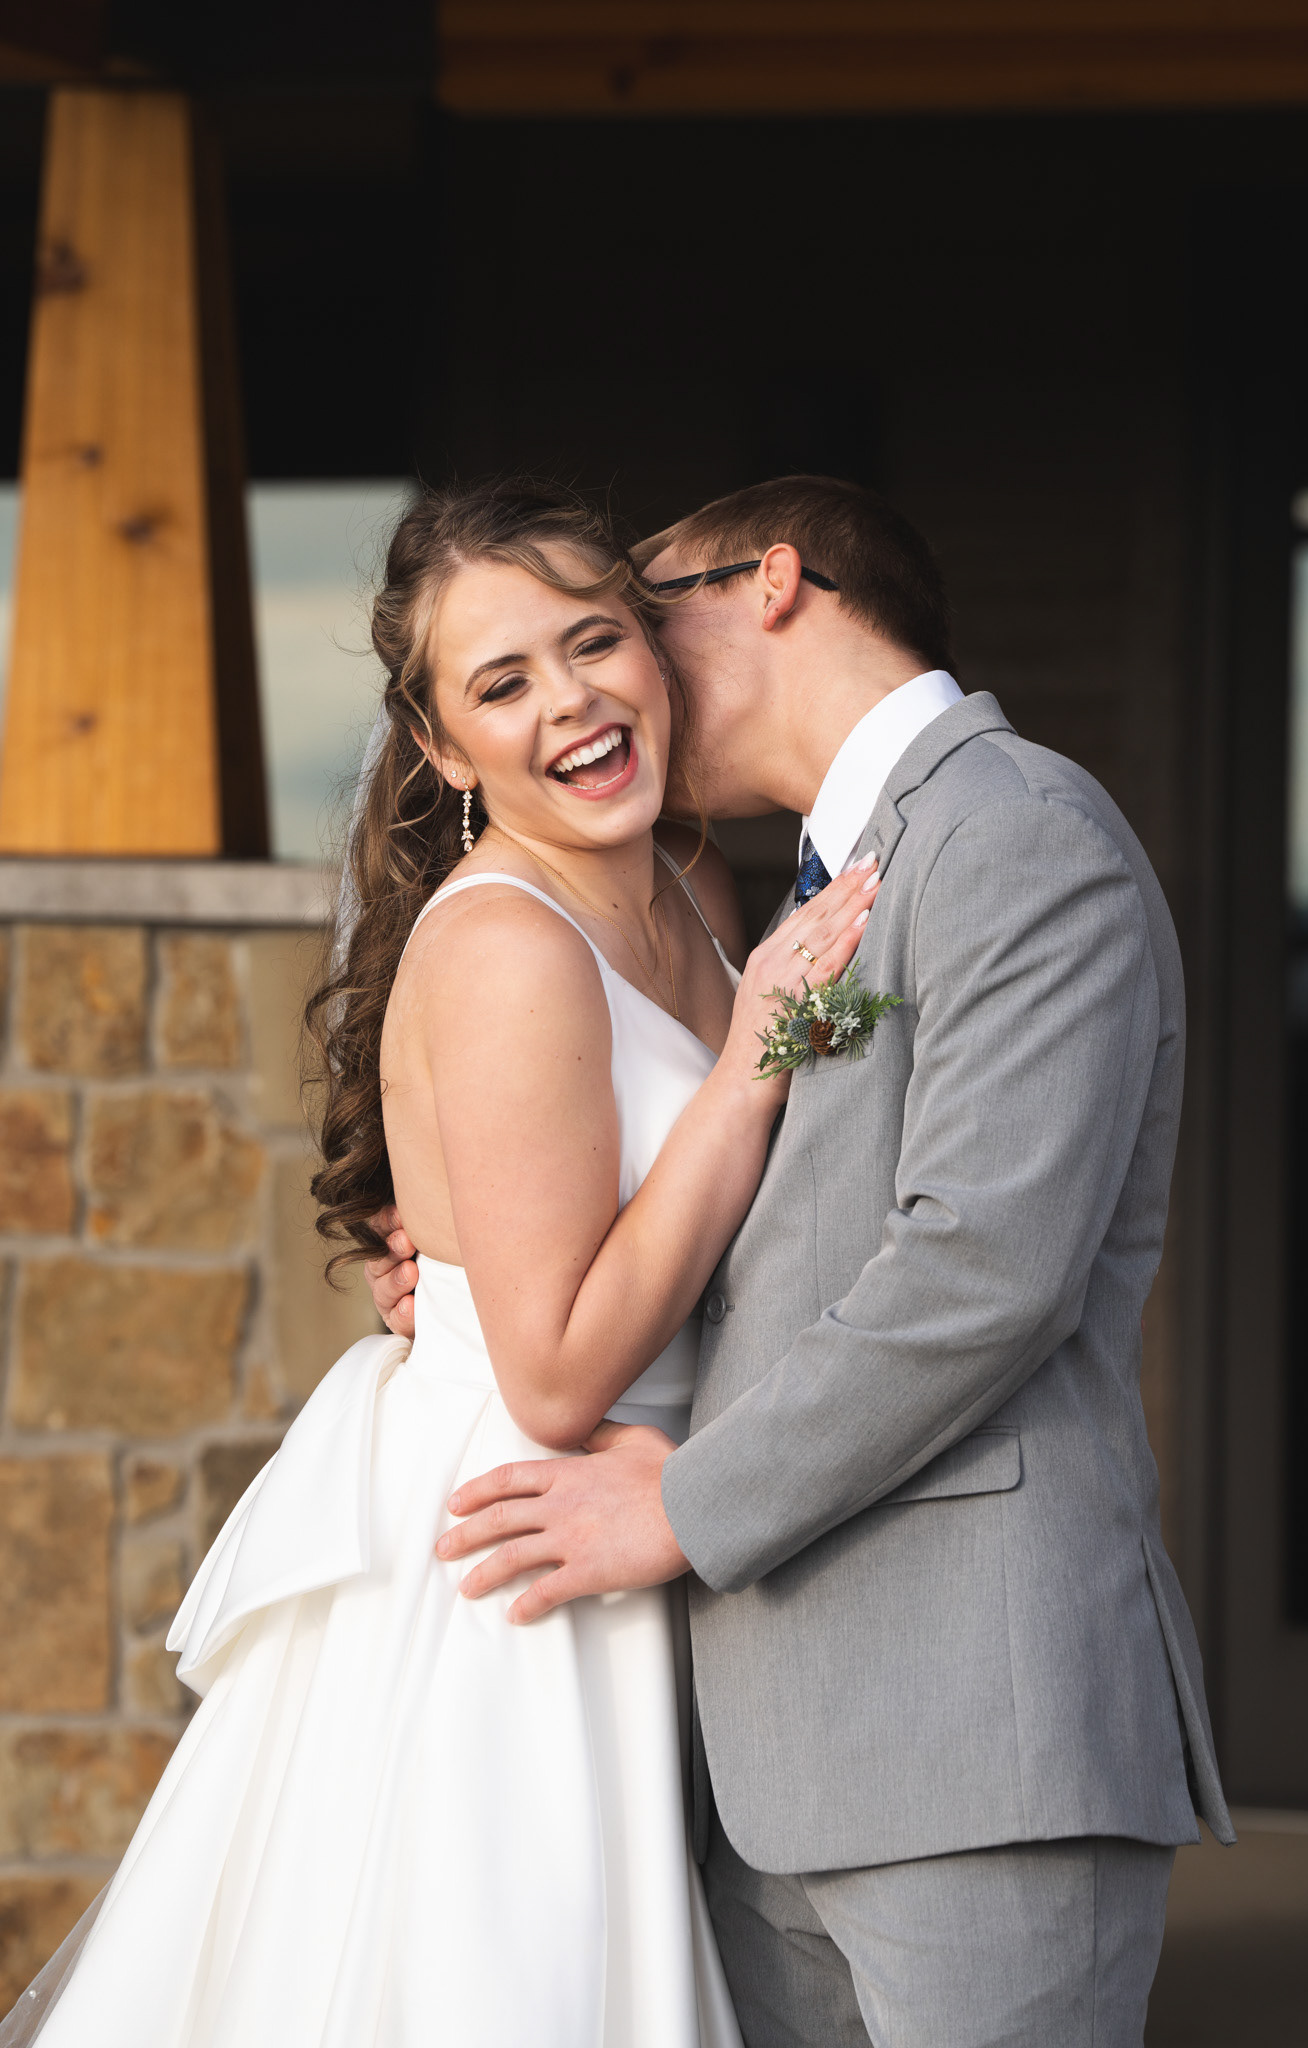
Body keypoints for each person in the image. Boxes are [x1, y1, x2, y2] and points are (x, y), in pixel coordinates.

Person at [0, 480, 879, 2048]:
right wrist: (753, 1062)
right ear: (442, 749)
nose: (570, 703)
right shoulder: (502, 946)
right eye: (501, 684)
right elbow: (550, 1374)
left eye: (591, 643)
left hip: (668, 1520)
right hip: (524, 1559)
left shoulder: (693, 885)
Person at [368, 474, 1236, 2048]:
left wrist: (681, 1503)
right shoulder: (798, 888)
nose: (614, 675)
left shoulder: (1015, 833)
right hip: (760, 1748)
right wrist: (476, 1267)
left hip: (974, 1731)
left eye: (628, 622)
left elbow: (981, 1263)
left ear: (765, 587)